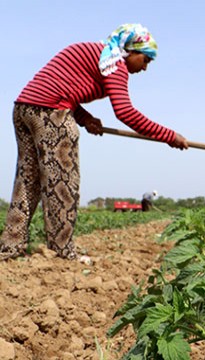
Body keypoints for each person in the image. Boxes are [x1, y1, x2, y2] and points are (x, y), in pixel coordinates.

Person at [0, 24, 189, 261]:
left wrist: (85, 118)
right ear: (131, 51)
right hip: (51, 114)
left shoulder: (101, 55)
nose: (145, 67)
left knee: (28, 180)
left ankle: (10, 247)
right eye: (146, 59)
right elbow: (125, 112)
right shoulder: (114, 64)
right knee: (63, 183)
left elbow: (60, 88)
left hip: (24, 108)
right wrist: (169, 136)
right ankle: (63, 251)